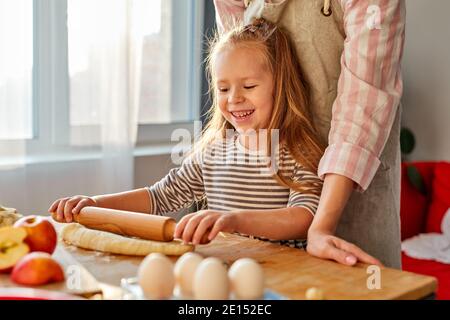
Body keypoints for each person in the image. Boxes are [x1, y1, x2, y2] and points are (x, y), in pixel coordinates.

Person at [49, 19, 327, 250]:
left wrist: (233, 220)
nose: (234, 99)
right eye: (223, 89)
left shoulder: (299, 151)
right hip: (221, 276)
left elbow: (304, 217)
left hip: (282, 279)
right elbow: (159, 197)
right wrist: (96, 203)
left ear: (281, 85)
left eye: (249, 86)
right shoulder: (214, 151)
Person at [214, 0, 406, 268]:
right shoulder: (212, 156)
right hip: (271, 202)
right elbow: (234, 58)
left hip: (356, 182)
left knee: (362, 283)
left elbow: (362, 107)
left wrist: (320, 228)